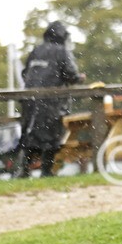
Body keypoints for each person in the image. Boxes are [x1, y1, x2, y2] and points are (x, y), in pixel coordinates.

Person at [17, 21, 84, 177]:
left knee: (30, 133)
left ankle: (24, 171)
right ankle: (46, 171)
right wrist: (79, 78)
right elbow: (70, 74)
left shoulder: (36, 50)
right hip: (51, 101)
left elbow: (25, 73)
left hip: (30, 99)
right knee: (51, 135)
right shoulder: (61, 51)